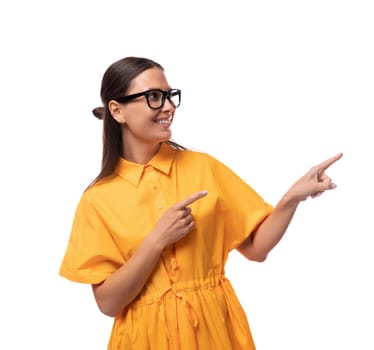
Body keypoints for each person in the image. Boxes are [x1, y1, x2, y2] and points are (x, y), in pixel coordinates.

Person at [59, 56, 342, 349]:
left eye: (169, 96)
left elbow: (256, 249)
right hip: (145, 340)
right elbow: (108, 303)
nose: (168, 107)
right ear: (117, 111)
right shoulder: (97, 200)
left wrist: (291, 198)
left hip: (214, 331)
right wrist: (156, 240)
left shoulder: (203, 168)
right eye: (154, 97)